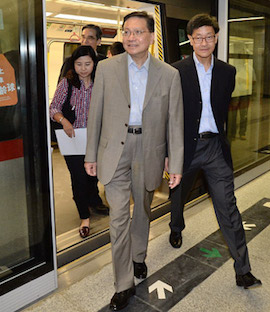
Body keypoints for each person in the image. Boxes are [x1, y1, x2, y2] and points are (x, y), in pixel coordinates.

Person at [85, 11, 183, 311]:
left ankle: (138, 256)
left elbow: (174, 121)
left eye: (138, 32)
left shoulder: (169, 74)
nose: (130, 37)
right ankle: (123, 284)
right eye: (126, 32)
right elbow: (95, 114)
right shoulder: (106, 68)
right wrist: (91, 155)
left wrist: (175, 162)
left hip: (149, 148)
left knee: (142, 209)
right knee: (117, 218)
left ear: (151, 37)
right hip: (114, 148)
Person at [167, 13, 261, 289]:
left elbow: (222, 109)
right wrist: (169, 152)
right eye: (198, 38)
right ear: (190, 40)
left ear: (216, 38)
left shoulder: (227, 72)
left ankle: (243, 269)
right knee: (178, 195)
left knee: (228, 207)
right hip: (186, 147)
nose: (204, 42)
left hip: (215, 148)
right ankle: (176, 227)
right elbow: (168, 115)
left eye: (209, 36)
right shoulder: (176, 72)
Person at [50, 46, 108, 238]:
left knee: (93, 175)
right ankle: (84, 217)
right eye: (79, 64)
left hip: (95, 139)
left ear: (94, 64)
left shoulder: (101, 83)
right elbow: (54, 108)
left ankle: (92, 200)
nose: (83, 68)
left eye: (87, 64)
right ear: (73, 65)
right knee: (79, 178)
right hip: (73, 140)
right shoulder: (66, 84)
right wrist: (64, 120)